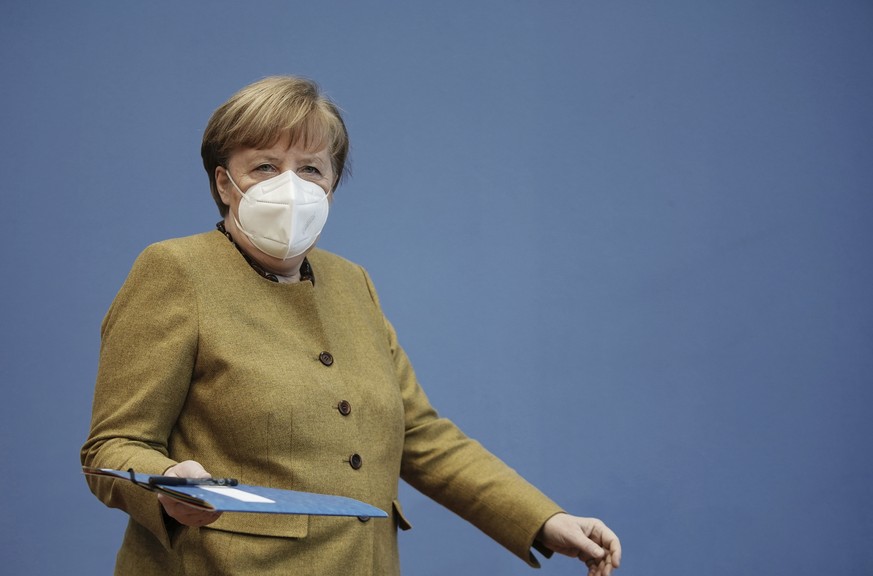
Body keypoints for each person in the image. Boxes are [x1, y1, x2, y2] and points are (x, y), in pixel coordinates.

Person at [81, 75, 621, 576]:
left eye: (311, 168)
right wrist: (167, 486)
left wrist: (544, 519)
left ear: (333, 183)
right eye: (265, 166)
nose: (290, 186)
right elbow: (112, 447)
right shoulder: (175, 271)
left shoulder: (351, 282)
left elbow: (419, 434)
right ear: (225, 183)